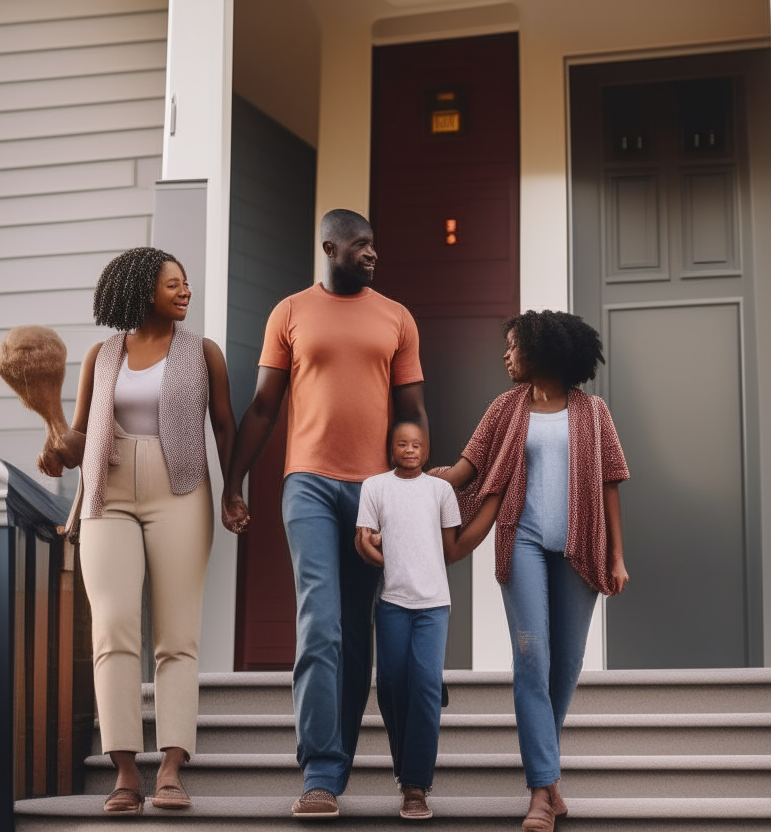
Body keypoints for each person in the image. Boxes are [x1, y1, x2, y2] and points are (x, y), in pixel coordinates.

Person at [221, 209, 428, 818]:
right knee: (320, 623)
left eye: (374, 245)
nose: (371, 254)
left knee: (360, 634)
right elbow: (262, 408)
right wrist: (235, 483)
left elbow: (413, 411)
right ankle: (319, 773)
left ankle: (338, 763)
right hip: (307, 484)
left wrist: (411, 497)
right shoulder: (289, 312)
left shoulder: (397, 317)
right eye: (360, 245)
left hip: (375, 491)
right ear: (329, 247)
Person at [39, 247, 237, 816]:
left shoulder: (203, 353)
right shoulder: (101, 357)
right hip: (107, 492)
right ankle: (125, 770)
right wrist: (56, 449)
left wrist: (233, 489)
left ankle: (172, 766)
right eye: (173, 284)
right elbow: (78, 438)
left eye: (186, 284)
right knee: (114, 627)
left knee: (176, 634)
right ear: (141, 290)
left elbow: (223, 424)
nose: (185, 291)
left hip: (180, 490)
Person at [435, 310, 630, 832]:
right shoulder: (504, 408)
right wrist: (414, 483)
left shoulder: (593, 413)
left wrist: (616, 554)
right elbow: (465, 469)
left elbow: (611, 482)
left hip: (580, 547)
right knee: (532, 655)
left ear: (543, 353)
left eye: (514, 346)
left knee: (563, 666)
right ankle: (541, 792)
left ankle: (548, 781)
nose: (505, 355)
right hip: (520, 540)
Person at [354, 421, 497, 820]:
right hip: (392, 603)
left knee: (422, 688)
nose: (410, 450)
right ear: (392, 448)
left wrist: (493, 506)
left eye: (417, 445)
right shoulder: (375, 487)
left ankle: (415, 785)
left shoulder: (440, 491)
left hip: (433, 605)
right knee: (390, 688)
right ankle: (409, 763)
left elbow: (452, 549)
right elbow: (364, 537)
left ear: (427, 449)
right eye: (403, 443)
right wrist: (378, 553)